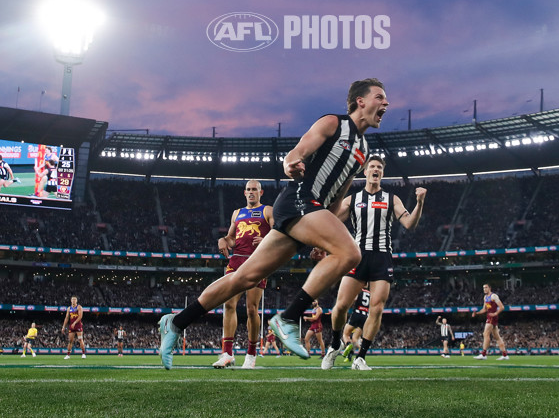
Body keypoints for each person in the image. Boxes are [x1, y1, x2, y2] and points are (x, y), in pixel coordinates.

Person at [158, 78, 388, 370]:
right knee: (352, 253)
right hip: (298, 200)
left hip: (314, 211)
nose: (386, 104)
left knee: (244, 278)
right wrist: (290, 163)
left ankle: (176, 322)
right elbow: (298, 151)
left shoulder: (363, 150)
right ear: (361, 102)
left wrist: (323, 236)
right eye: (380, 97)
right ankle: (289, 317)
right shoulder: (334, 123)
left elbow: (338, 194)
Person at [322, 154, 427, 371]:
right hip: (357, 255)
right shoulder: (353, 199)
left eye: (379, 167)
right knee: (341, 306)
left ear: (382, 173)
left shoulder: (392, 199)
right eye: (372, 167)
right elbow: (330, 222)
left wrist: (419, 203)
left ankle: (360, 358)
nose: (376, 170)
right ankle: (335, 344)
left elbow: (409, 224)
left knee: (377, 308)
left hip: (381, 257)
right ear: (366, 172)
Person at [212, 179, 274, 370]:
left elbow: (278, 232)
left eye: (254, 189)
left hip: (257, 260)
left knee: (251, 309)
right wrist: (223, 240)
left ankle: (251, 354)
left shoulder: (267, 211)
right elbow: (232, 238)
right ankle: (227, 354)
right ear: (244, 192)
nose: (251, 192)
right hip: (236, 260)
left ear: (260, 193)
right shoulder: (237, 213)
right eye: (248, 189)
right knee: (229, 304)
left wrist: (265, 239)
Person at [472, 283, 509, 360]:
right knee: (496, 336)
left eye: (486, 287)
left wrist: (495, 313)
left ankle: (484, 354)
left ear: (489, 288)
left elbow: (502, 307)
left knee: (485, 334)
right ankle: (505, 355)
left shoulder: (493, 296)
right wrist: (477, 313)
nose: (484, 289)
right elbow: (485, 309)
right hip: (489, 316)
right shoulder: (485, 297)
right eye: (483, 288)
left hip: (492, 316)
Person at [342, 286, 371, 363]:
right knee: (355, 339)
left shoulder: (358, 289)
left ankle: (348, 344)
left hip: (357, 313)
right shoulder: (370, 293)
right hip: (365, 316)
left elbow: (354, 298)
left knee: (345, 334)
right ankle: (355, 355)